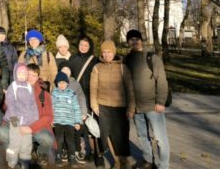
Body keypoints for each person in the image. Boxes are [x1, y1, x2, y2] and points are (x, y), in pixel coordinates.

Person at [125, 29, 170, 169]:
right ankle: (148, 161)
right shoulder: (126, 60)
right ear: (128, 42)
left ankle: (163, 165)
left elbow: (161, 80)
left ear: (141, 40)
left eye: (136, 39)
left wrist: (161, 102)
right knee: (142, 136)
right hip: (137, 108)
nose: (134, 41)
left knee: (160, 140)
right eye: (131, 39)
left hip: (153, 107)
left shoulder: (152, 58)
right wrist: (130, 108)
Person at [90, 40, 135, 169]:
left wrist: (131, 108)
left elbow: (130, 89)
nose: (107, 54)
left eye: (109, 52)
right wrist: (94, 105)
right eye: (104, 52)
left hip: (121, 107)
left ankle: (124, 162)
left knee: (121, 135)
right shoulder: (97, 67)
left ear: (113, 52)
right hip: (103, 106)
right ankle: (116, 161)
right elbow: (93, 88)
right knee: (107, 135)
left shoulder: (123, 68)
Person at [69, 36, 103, 167]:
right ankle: (84, 150)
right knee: (80, 125)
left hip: (91, 97)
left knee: (93, 126)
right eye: (81, 45)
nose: (83, 47)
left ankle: (98, 153)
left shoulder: (94, 60)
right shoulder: (73, 59)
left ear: (90, 47)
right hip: (77, 97)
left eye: (86, 45)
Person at [3, 62, 38, 169]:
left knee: (26, 143)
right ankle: (12, 161)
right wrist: (14, 118)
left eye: (24, 74)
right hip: (15, 120)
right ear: (15, 74)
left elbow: (33, 104)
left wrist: (34, 120)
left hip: (27, 121)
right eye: (19, 74)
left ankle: (25, 161)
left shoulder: (29, 87)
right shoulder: (12, 86)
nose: (22, 76)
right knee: (15, 142)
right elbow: (10, 102)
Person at [25, 63, 55, 166]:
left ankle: (41, 152)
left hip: (37, 126)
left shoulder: (44, 94)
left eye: (33, 75)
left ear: (38, 77)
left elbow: (48, 116)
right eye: (28, 74)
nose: (30, 78)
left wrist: (31, 128)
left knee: (47, 139)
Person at [58, 61, 88, 164]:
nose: (65, 71)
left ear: (70, 71)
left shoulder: (75, 83)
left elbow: (81, 98)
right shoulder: (56, 83)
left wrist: (83, 113)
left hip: (75, 114)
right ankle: (65, 149)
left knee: (77, 131)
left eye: (67, 69)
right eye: (63, 70)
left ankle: (77, 150)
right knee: (63, 132)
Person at [52, 72, 83, 168]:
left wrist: (78, 122)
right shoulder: (54, 93)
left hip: (70, 122)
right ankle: (58, 157)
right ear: (57, 84)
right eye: (60, 83)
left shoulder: (71, 93)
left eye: (64, 83)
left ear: (67, 83)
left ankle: (72, 158)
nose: (62, 85)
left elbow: (76, 108)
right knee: (59, 140)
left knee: (70, 141)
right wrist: (51, 119)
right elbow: (51, 107)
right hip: (58, 122)